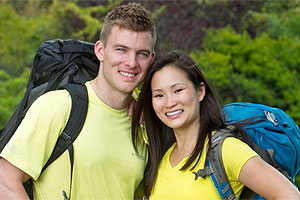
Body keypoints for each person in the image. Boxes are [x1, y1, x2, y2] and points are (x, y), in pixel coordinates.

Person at [0, 3, 156, 200]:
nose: (131, 62)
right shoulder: (58, 107)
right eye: (121, 50)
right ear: (100, 51)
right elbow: (5, 181)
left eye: (141, 53)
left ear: (151, 59)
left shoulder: (146, 122)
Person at [132, 50, 300, 199]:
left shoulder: (225, 150)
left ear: (200, 91)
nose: (169, 102)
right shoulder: (162, 155)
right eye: (159, 95)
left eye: (178, 90)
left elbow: (290, 195)